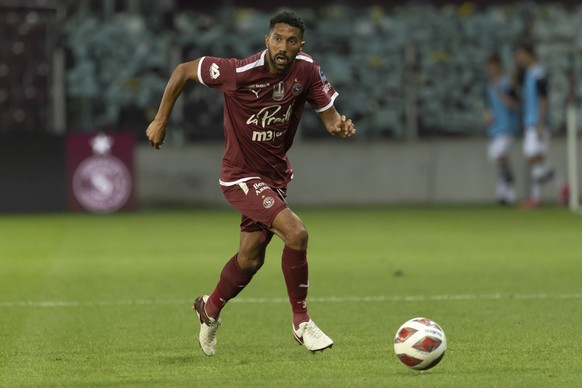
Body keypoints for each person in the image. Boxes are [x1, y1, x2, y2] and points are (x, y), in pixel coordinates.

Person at [146, 10, 355, 356]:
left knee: (249, 260)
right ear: (266, 40)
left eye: (291, 40)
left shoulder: (307, 70)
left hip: (274, 176)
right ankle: (302, 322)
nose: (283, 46)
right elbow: (183, 71)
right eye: (277, 38)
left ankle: (209, 308)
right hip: (240, 175)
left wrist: (340, 127)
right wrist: (161, 119)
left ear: (300, 45)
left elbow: (331, 118)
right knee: (297, 233)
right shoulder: (238, 72)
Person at [513, 41, 560, 208]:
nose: (518, 58)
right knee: (536, 161)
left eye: (520, 54)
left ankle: (556, 186)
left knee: (533, 157)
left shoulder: (539, 73)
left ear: (529, 54)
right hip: (530, 122)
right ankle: (539, 196)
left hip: (538, 123)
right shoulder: (528, 74)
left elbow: (544, 99)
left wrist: (541, 123)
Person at [483, 53, 520, 205]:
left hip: (508, 127)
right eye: (489, 68)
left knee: (499, 156)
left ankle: (509, 191)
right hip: (495, 129)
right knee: (498, 160)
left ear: (499, 67)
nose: (491, 70)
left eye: (493, 67)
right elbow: (488, 107)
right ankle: (504, 192)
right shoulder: (488, 87)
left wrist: (502, 94)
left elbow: (515, 103)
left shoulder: (506, 83)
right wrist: (488, 116)